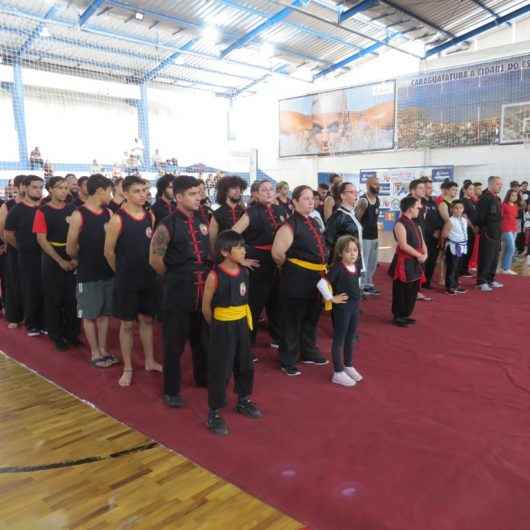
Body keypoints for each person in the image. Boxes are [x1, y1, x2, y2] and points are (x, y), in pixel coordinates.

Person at [149, 175, 212, 408]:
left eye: (199, 193)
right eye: (193, 194)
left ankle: (203, 377)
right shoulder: (167, 224)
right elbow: (155, 259)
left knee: (202, 340)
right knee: (174, 344)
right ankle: (171, 390)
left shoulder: (202, 220)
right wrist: (177, 277)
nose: (199, 198)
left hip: (202, 289)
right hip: (177, 290)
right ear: (178, 197)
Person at [202, 230, 262, 436]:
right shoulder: (214, 275)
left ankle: (243, 400)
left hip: (242, 323)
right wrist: (218, 325)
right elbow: (205, 308)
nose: (244, 250)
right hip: (223, 326)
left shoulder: (244, 272)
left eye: (244, 246)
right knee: (221, 368)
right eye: (240, 248)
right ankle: (214, 412)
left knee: (244, 363)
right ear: (225, 252)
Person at [103, 176, 161, 386]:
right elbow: (108, 252)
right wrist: (122, 273)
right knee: (127, 324)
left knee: (147, 320)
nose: (143, 194)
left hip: (148, 278)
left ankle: (149, 360)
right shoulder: (117, 219)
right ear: (125, 193)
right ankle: (127, 367)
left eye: (145, 190)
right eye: (137, 191)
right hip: (126, 279)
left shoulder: (150, 215)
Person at [272, 185, 329, 376]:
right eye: (305, 198)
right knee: (292, 320)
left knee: (311, 317)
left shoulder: (313, 221)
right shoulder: (290, 225)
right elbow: (278, 254)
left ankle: (308, 351)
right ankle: (288, 359)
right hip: (296, 278)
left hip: (316, 278)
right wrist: (292, 269)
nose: (311, 201)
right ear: (294, 202)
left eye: (312, 198)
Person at [66, 174, 118, 368]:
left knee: (105, 314)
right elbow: (70, 248)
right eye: (109, 191)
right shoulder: (79, 214)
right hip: (88, 272)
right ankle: (95, 352)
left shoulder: (109, 214)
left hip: (107, 271)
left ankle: (103, 349)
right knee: (90, 314)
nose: (111, 196)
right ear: (99, 191)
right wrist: (82, 259)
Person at [232, 180, 283, 349]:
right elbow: (231, 236)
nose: (268, 192)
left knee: (276, 303)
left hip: (277, 263)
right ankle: (247, 344)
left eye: (271, 189)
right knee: (254, 305)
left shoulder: (280, 210)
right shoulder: (251, 212)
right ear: (255, 194)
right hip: (258, 264)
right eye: (264, 190)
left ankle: (276, 337)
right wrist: (241, 259)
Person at [32, 177, 80, 350]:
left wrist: (75, 258)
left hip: (72, 255)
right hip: (52, 258)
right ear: (50, 190)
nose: (64, 191)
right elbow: (41, 240)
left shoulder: (73, 209)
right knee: (54, 298)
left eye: (66, 187)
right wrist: (60, 261)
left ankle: (72, 334)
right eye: (59, 187)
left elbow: (79, 236)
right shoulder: (42, 211)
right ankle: (56, 335)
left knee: (72, 299)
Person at [317, 235, 363, 387]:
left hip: (354, 308)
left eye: (355, 250)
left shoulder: (355, 267)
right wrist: (331, 298)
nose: (352, 254)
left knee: (350, 337)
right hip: (342, 309)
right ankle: (338, 372)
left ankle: (348, 365)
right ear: (340, 253)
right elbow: (322, 283)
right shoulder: (338, 268)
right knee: (339, 339)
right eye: (348, 251)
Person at [4, 175, 45, 336]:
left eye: (41, 187)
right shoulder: (17, 210)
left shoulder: (44, 208)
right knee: (30, 290)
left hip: (46, 255)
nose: (38, 190)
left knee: (45, 290)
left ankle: (44, 322)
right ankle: (32, 323)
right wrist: (22, 248)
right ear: (26, 188)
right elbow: (8, 234)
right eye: (35, 187)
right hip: (27, 257)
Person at [388, 197, 427, 327]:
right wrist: (419, 255)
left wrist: (425, 253)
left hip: (415, 260)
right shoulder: (400, 224)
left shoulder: (415, 223)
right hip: (404, 263)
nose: (419, 208)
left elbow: (422, 241)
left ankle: (405, 314)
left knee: (412, 289)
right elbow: (403, 245)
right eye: (417, 206)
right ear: (410, 208)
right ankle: (398, 315)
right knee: (401, 289)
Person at [0, 175, 26, 327]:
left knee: (29, 283)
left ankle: (28, 314)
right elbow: (2, 229)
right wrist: (7, 243)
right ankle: (14, 317)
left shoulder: (37, 205)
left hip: (30, 250)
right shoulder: (7, 205)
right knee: (13, 283)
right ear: (16, 187)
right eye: (22, 185)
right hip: (13, 249)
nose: (25, 188)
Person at [325, 182, 365, 273]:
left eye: (356, 192)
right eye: (351, 192)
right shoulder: (338, 217)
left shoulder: (352, 214)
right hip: (343, 265)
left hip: (354, 260)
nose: (355, 195)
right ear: (342, 196)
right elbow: (328, 242)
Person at [476, 176, 503, 292]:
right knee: (486, 256)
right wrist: (485, 229)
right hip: (488, 231)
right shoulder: (485, 198)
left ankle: (490, 279)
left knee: (494, 257)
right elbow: (480, 216)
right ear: (491, 184)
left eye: (501, 184)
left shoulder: (496, 198)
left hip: (497, 230)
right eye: (498, 184)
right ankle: (482, 281)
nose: (500, 186)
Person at [355, 175, 380, 295]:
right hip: (364, 236)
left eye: (378, 184)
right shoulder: (363, 201)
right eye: (375, 184)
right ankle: (361, 285)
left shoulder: (377, 199)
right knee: (363, 262)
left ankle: (369, 284)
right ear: (368, 185)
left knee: (372, 261)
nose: (377, 186)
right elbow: (356, 219)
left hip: (374, 236)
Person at [209, 175, 247, 250]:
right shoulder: (217, 214)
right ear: (225, 191)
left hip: (245, 252)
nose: (238, 191)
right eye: (234, 188)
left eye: (240, 188)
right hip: (225, 253)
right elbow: (212, 240)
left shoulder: (245, 212)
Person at [442, 200, 468, 295]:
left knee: (458, 267)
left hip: (462, 246)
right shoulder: (450, 221)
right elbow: (444, 234)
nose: (458, 210)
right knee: (452, 267)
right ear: (452, 209)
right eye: (456, 208)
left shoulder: (464, 220)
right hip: (453, 246)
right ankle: (449, 287)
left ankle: (456, 284)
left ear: (463, 209)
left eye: (460, 208)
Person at [421, 178, 444, 290]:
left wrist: (439, 230)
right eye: (428, 187)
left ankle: (427, 282)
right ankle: (418, 284)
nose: (430, 190)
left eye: (431, 187)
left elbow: (439, 218)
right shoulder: (418, 202)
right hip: (422, 237)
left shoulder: (433, 202)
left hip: (434, 237)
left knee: (432, 260)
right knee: (422, 261)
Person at [500, 189, 520, 275]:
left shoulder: (515, 206)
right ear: (508, 195)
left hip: (514, 229)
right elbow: (500, 217)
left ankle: (504, 267)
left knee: (507, 248)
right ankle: (506, 268)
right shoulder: (503, 205)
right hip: (505, 228)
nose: (514, 197)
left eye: (516, 196)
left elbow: (514, 217)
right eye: (512, 195)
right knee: (512, 248)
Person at [461, 182, 479, 276]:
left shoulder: (471, 201)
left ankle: (465, 268)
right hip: (467, 229)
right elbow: (464, 216)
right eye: (470, 189)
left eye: (473, 189)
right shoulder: (463, 201)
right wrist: (472, 227)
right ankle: (462, 270)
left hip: (472, 229)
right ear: (465, 190)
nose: (473, 191)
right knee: (466, 249)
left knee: (470, 249)